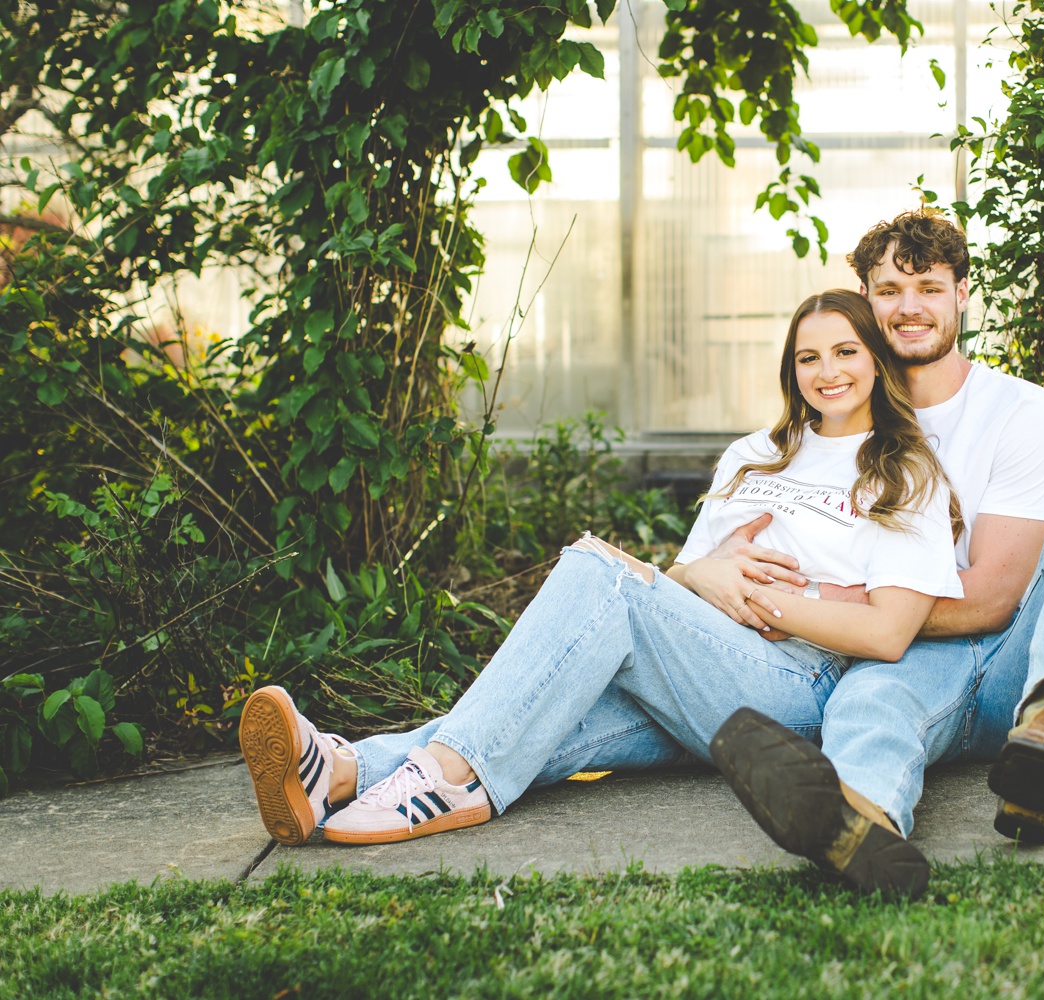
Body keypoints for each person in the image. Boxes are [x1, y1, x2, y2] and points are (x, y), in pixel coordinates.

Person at [239, 289, 962, 898]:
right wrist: (706, 576)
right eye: (808, 357)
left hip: (793, 689)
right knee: (544, 709)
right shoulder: (753, 456)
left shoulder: (904, 471)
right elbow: (678, 586)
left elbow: (889, 632)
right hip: (702, 664)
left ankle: (449, 776)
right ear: (790, 368)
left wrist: (766, 601)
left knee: (597, 572)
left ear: (875, 361)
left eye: (845, 352)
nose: (827, 372)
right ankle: (341, 772)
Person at [706, 210, 1044, 883]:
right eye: (889, 291)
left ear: (961, 294)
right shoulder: (841, 416)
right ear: (864, 300)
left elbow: (994, 597)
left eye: (930, 288)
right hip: (909, 661)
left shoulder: (1021, 413)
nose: (909, 308)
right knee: (869, 702)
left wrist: (854, 606)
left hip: (1009, 662)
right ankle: (864, 827)